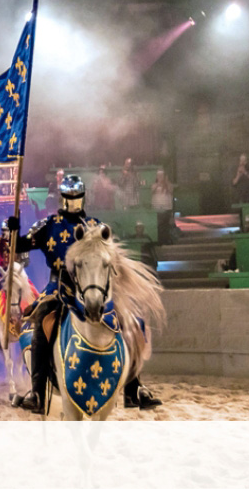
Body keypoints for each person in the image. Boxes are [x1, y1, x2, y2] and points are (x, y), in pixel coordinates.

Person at [10, 174, 160, 413]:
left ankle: (134, 388)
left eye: (77, 197)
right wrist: (13, 232)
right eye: (69, 198)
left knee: (131, 323)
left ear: (83, 197)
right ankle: (37, 392)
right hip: (59, 288)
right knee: (41, 327)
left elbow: (109, 259)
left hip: (95, 288)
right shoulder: (49, 224)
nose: (74, 202)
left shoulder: (96, 227)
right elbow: (21, 246)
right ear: (63, 198)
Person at [151, 169, 175, 243]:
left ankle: (166, 240)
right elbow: (152, 190)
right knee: (159, 225)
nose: (160, 177)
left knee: (166, 225)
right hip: (157, 208)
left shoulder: (169, 185)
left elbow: (171, 190)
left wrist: (166, 182)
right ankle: (160, 240)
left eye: (162, 175)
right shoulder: (154, 185)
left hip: (167, 208)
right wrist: (159, 183)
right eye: (159, 175)